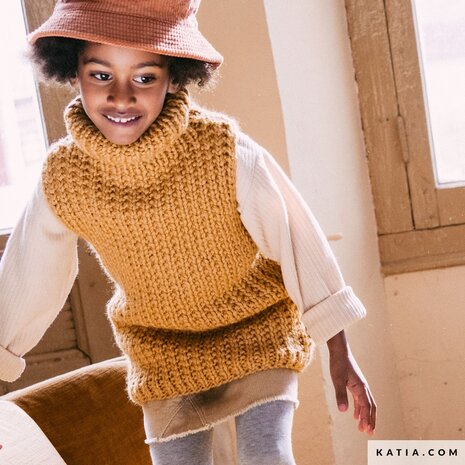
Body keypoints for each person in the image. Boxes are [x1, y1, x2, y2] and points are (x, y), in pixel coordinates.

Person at [0, 1, 376, 464]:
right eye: (101, 75)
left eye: (144, 77)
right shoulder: (65, 177)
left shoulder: (224, 151)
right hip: (162, 355)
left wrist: (339, 348)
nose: (121, 97)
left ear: (174, 75)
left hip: (256, 335)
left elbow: (299, 241)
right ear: (72, 68)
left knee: (268, 457)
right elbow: (26, 276)